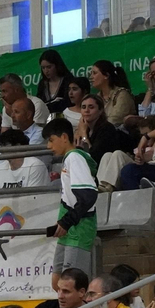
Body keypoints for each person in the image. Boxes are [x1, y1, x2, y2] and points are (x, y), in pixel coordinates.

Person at [45, 117, 98, 277]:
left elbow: (88, 195)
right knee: (57, 282)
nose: (49, 146)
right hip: (69, 231)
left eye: (51, 140)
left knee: (73, 285)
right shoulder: (70, 159)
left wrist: (67, 221)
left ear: (64, 137)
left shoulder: (74, 158)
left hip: (79, 230)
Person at [89, 60, 137, 125]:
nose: (91, 77)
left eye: (94, 73)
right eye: (91, 73)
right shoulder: (97, 97)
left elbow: (114, 120)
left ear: (106, 75)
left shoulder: (122, 94)